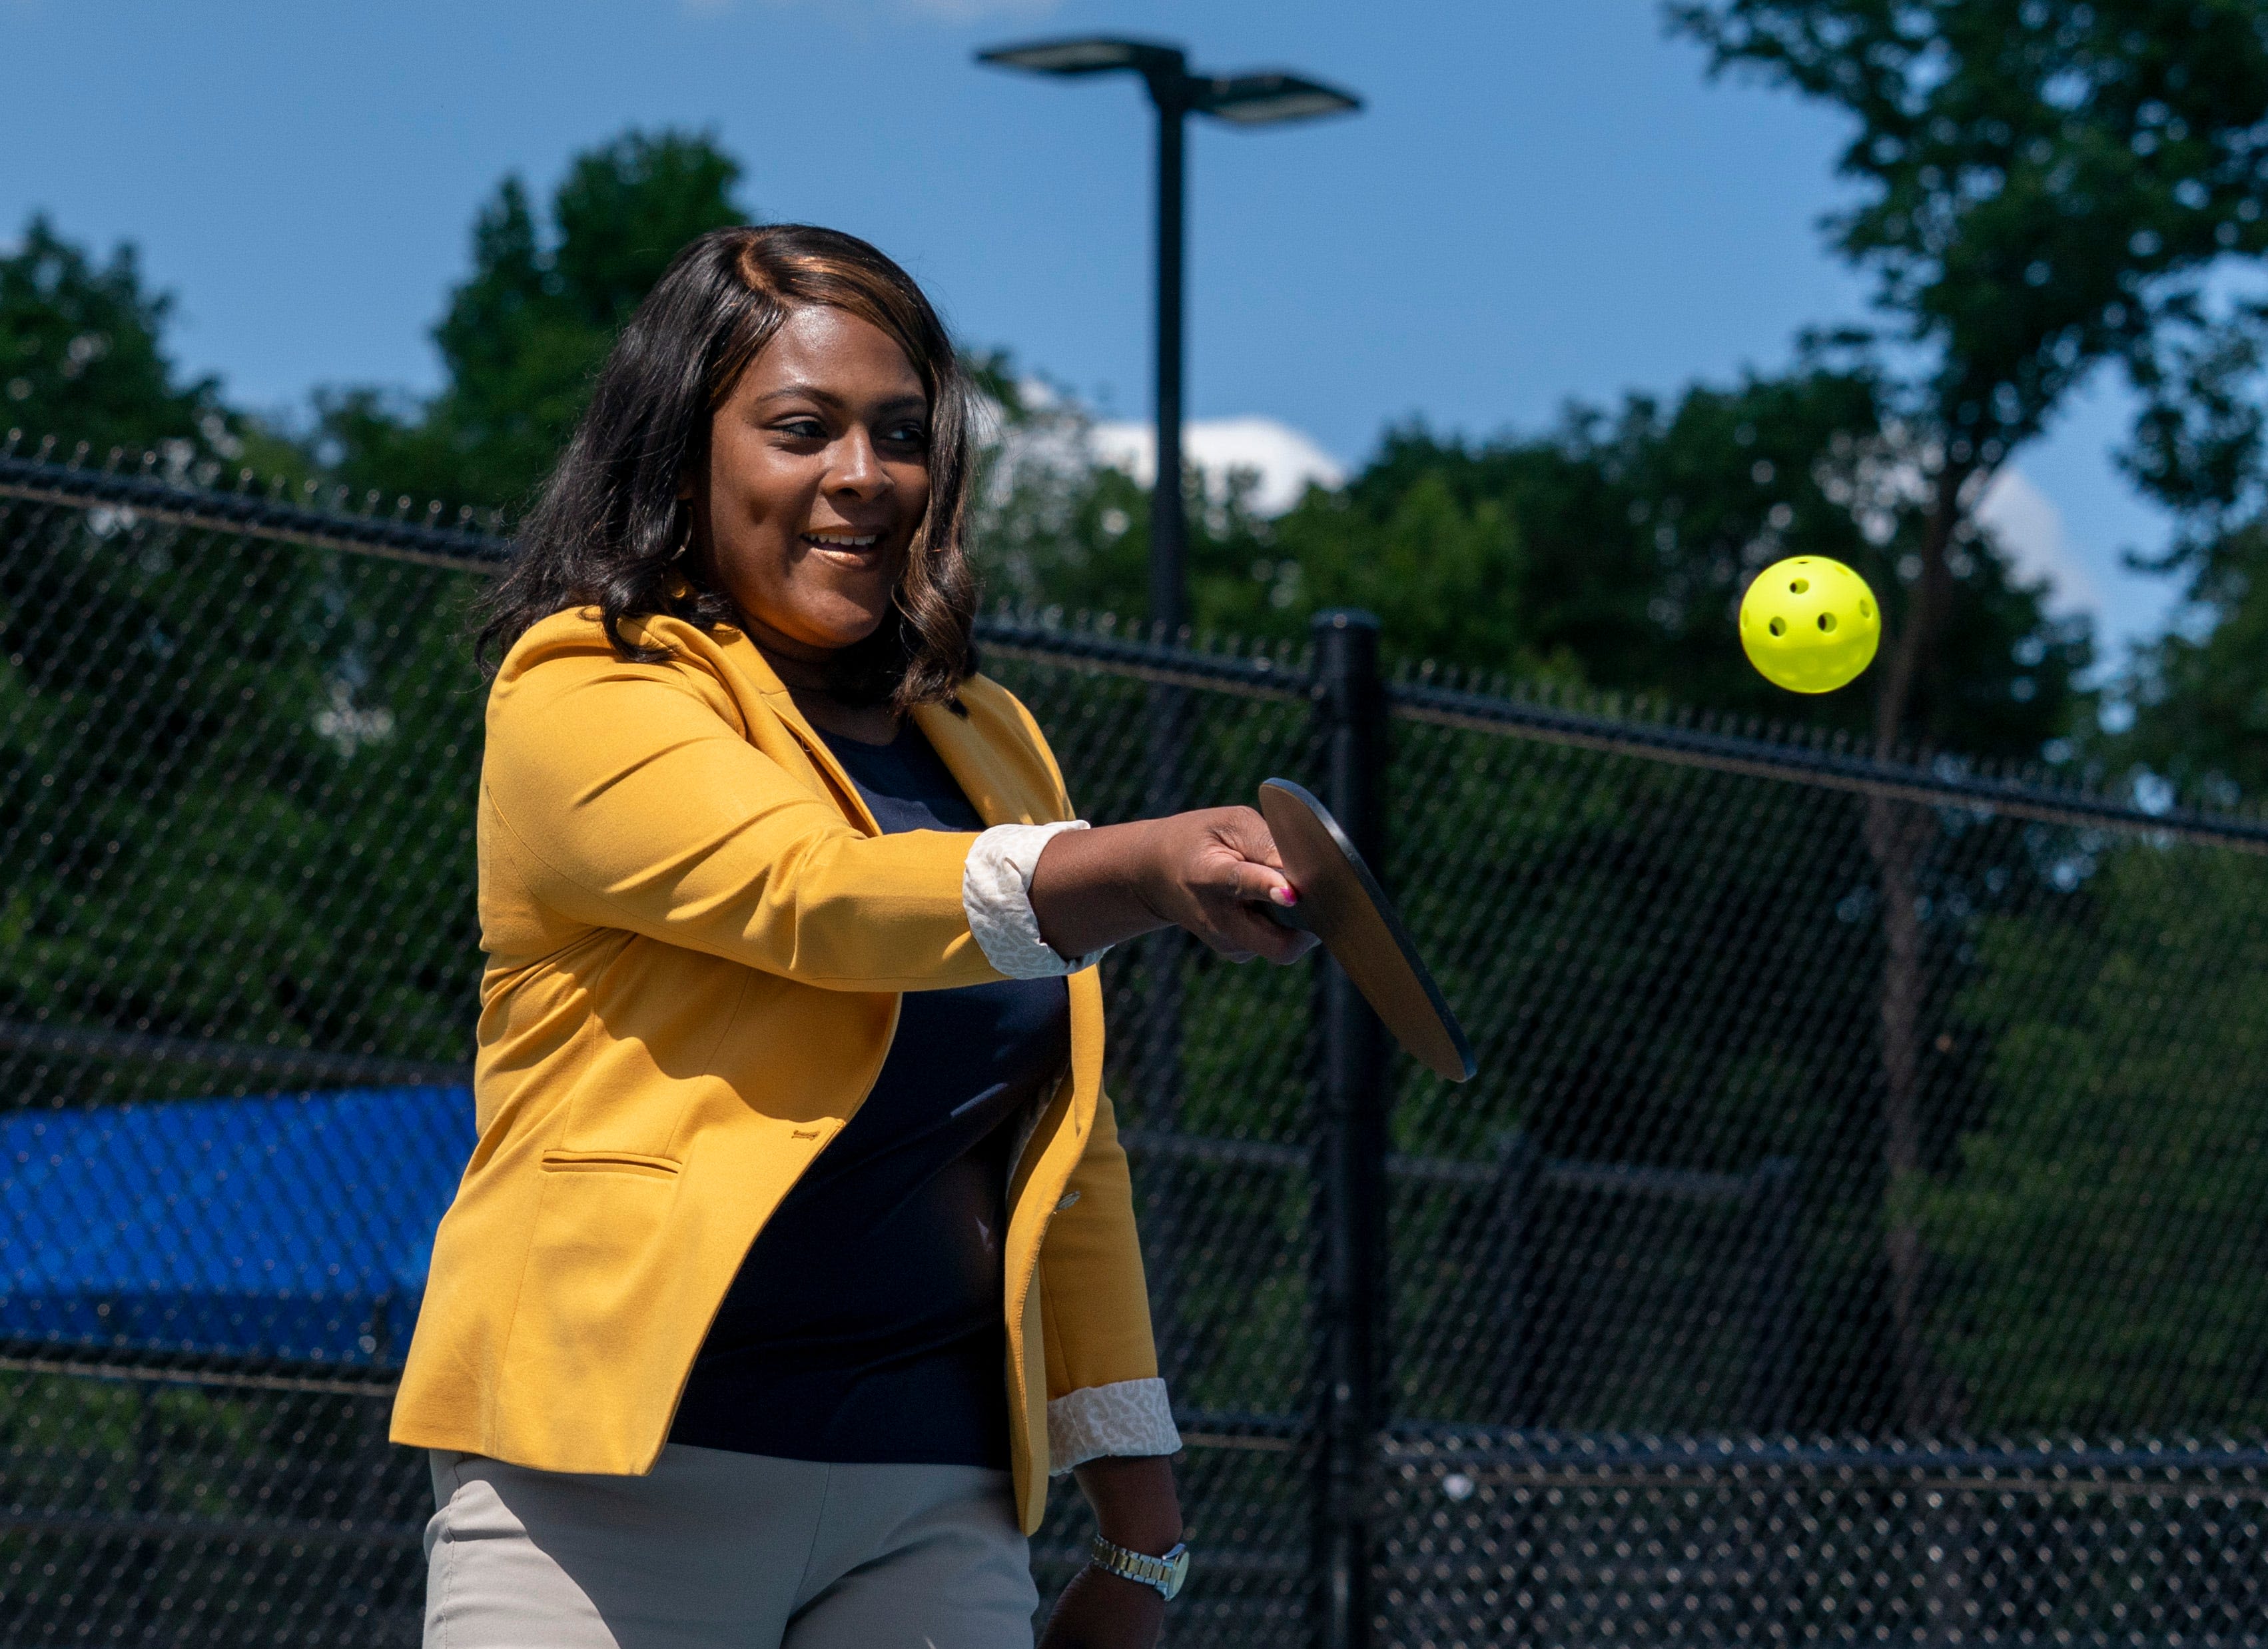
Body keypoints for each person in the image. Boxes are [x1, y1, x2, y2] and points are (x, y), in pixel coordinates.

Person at [390, 223, 1316, 1649]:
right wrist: (1131, 866)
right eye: (800, 427)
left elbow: (1067, 1149)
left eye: (900, 432)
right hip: (606, 1491)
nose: (862, 475)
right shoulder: (586, 682)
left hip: (926, 1495)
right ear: (680, 452)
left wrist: (1143, 1532)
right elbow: (809, 895)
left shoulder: (989, 739)